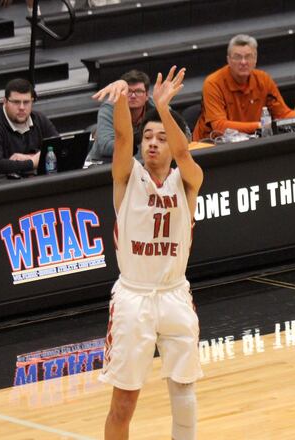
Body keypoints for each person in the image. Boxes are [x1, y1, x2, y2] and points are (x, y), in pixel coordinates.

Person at [93, 66, 203, 440]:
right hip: (134, 298)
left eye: (161, 138)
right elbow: (123, 136)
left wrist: (162, 107)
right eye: (148, 138)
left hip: (174, 293)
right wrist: (123, 97)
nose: (152, 143)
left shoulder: (187, 180)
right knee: (124, 401)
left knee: (184, 391)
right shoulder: (128, 177)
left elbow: (185, 150)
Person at [193, 34, 295, 141]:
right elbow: (220, 126)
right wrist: (260, 126)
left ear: (255, 59)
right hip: (212, 144)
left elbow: (283, 113)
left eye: (248, 56)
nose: (243, 62)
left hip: (251, 139)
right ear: (228, 60)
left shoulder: (263, 79)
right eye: (237, 57)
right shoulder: (213, 83)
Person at [0, 78, 57, 177]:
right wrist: (32, 162)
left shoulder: (40, 120)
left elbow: (58, 149)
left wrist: (27, 158)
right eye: (16, 102)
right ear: (5, 102)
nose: (22, 107)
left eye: (26, 102)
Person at [87, 70, 154, 164]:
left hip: (137, 162)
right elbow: (106, 147)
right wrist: (140, 140)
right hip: (103, 163)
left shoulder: (155, 106)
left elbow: (174, 129)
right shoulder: (109, 108)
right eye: (129, 91)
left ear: (147, 95)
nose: (133, 96)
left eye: (138, 91)